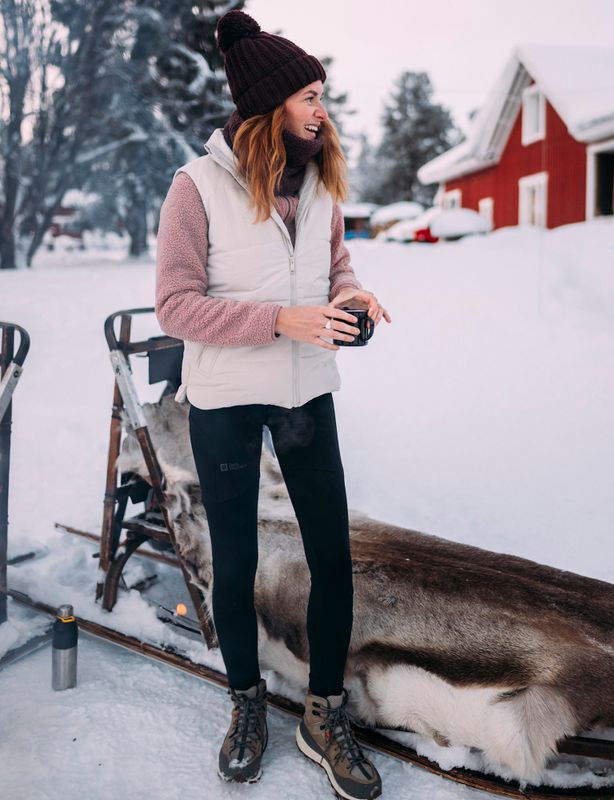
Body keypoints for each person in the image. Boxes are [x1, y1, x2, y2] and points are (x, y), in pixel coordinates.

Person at [154, 10, 389, 799]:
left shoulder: (321, 178)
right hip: (225, 398)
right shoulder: (196, 187)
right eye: (310, 94)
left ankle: (323, 715)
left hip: (305, 393)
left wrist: (353, 296)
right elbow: (175, 307)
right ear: (271, 103)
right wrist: (278, 320)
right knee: (239, 558)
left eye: (323, 93)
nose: (322, 108)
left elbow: (337, 264)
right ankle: (246, 703)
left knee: (332, 557)